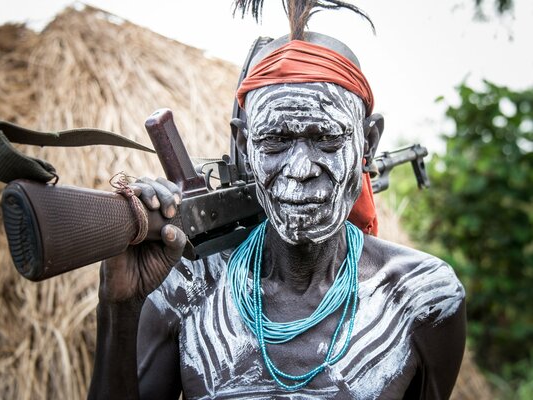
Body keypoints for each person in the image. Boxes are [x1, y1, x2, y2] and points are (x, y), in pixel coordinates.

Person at [88, 3, 466, 399]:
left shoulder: (423, 300)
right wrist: (119, 306)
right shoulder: (185, 290)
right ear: (244, 144)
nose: (300, 168)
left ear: (368, 142)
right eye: (276, 141)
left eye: (326, 139)